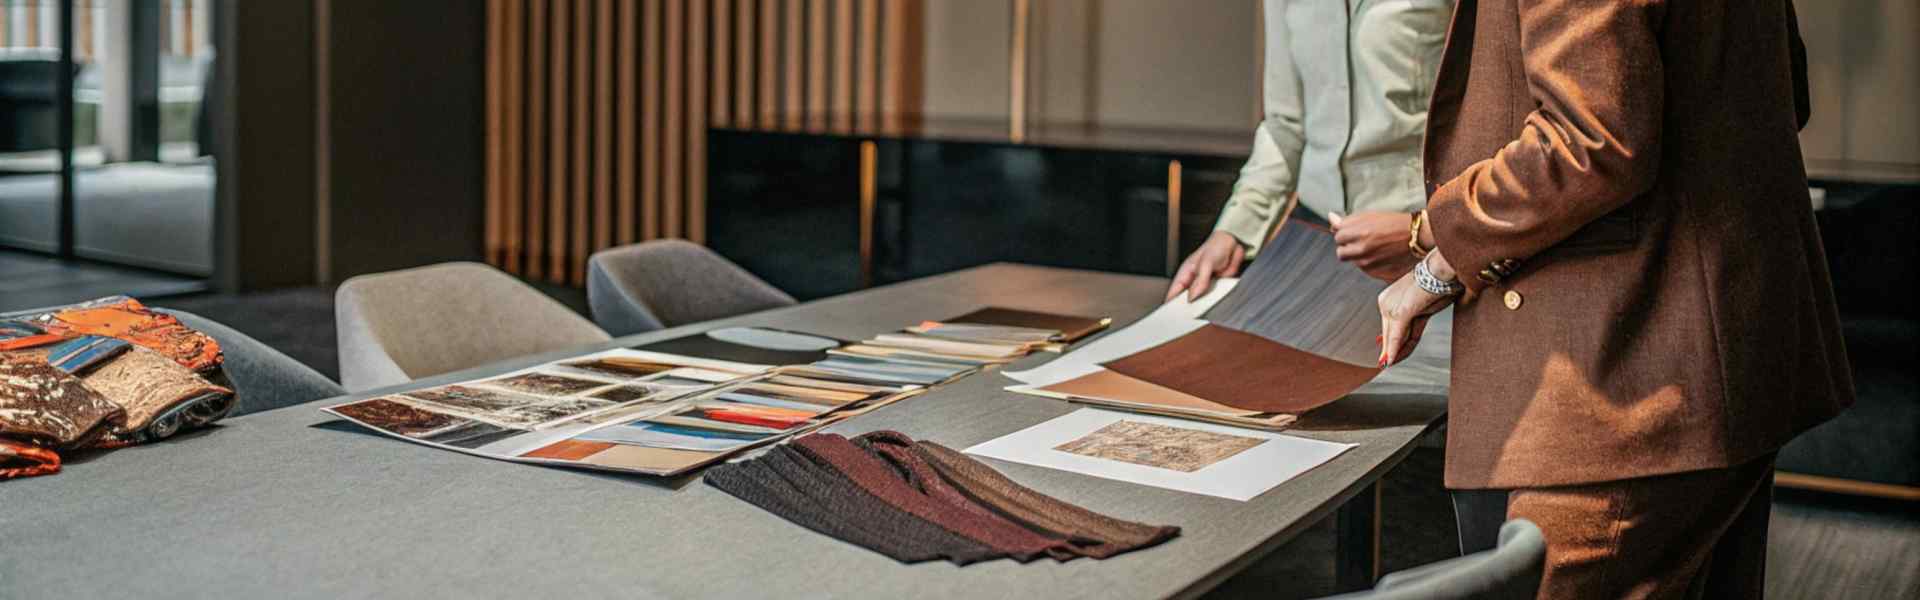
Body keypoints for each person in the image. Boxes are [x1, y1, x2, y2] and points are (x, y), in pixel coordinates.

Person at [1376, 0, 1852, 597]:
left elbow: (1589, 139)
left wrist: (1442, 252)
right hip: (1727, 360)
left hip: (1625, 389)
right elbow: (1784, 89)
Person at [1167, 0, 1456, 302]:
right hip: (1318, 246)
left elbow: (1484, 122)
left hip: (1425, 243)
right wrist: (1233, 232)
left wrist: (1426, 229)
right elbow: (1285, 126)